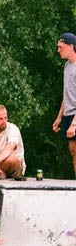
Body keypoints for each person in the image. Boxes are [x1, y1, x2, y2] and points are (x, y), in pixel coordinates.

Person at [53, 32, 76, 177]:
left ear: (71, 46)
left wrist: (74, 123)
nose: (58, 50)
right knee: (73, 150)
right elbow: (66, 93)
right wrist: (59, 117)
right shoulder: (67, 66)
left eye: (61, 47)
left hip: (75, 115)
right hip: (68, 113)